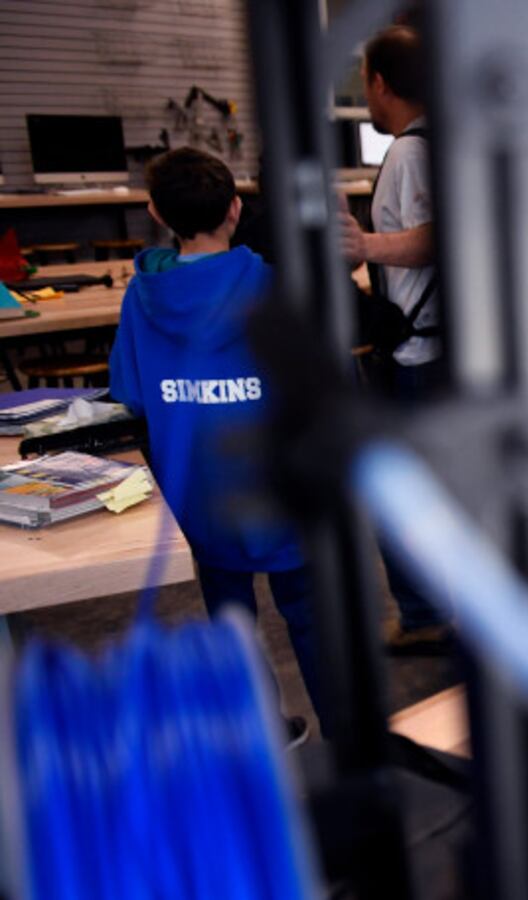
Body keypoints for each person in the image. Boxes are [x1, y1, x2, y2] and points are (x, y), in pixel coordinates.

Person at [109, 147, 320, 737]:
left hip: (199, 498)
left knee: (230, 623)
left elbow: (131, 392)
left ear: (155, 211)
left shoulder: (141, 298)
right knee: (310, 620)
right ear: (235, 209)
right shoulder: (274, 286)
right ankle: (345, 744)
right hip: (282, 494)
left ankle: (266, 731)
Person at [338, 24, 451, 649]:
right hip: (432, 348)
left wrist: (365, 244)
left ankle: (424, 615)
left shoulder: (411, 152)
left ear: (380, 83)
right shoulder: (440, 144)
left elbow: (441, 234)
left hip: (416, 352)